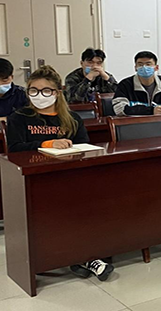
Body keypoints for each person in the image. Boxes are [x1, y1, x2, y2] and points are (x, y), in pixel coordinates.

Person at [7, 65, 115, 280]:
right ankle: (79, 257)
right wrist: (47, 143)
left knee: (92, 206)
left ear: (57, 93)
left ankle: (85, 256)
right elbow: (15, 149)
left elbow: (84, 145)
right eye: (33, 90)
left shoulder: (71, 118)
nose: (39, 95)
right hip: (36, 182)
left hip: (69, 177)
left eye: (46, 90)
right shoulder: (19, 117)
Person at [113, 51, 161, 116]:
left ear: (156, 68)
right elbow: (119, 109)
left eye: (148, 64)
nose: (144, 67)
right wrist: (151, 111)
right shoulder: (125, 84)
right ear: (135, 68)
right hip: (135, 123)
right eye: (140, 64)